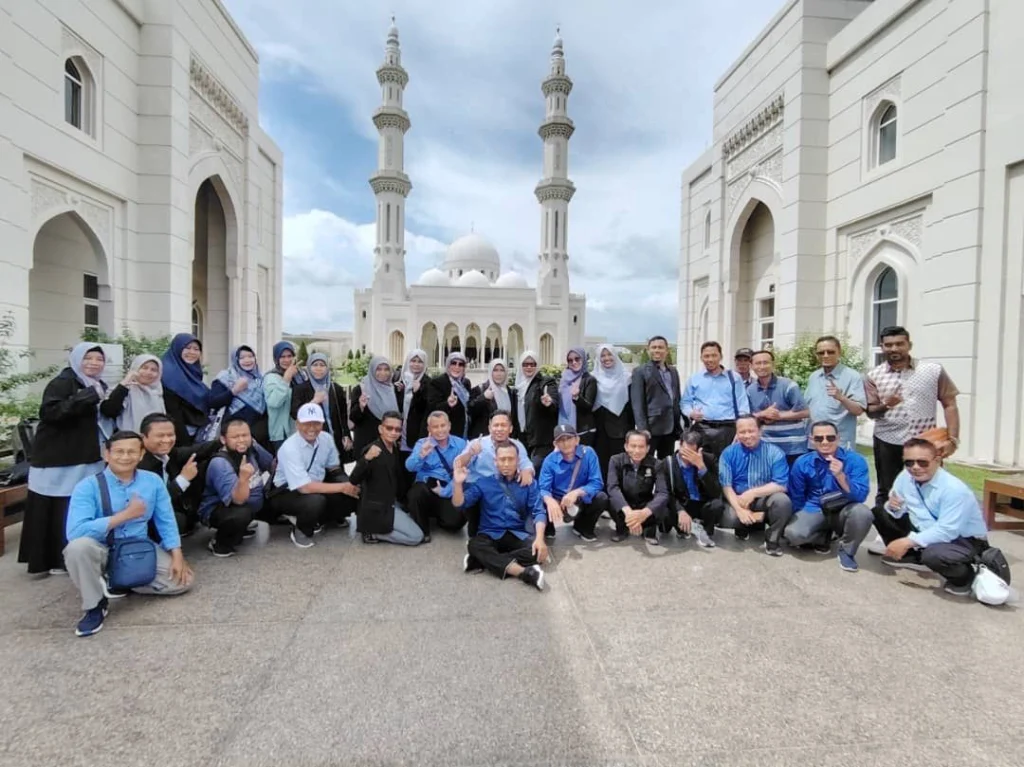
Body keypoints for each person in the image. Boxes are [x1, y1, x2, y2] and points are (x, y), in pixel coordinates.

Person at [63, 430, 194, 637]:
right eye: (119, 452)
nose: (125, 457)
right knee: (77, 548)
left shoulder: (152, 481)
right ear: (107, 454)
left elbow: (166, 520)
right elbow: (76, 531)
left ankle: (122, 580)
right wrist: (125, 515)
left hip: (136, 548)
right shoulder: (87, 487)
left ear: (141, 454)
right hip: (101, 547)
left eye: (132, 452)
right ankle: (95, 605)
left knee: (182, 582)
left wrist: (177, 555)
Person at [19, 343, 123, 576]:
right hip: (60, 458)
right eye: (88, 358)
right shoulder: (64, 382)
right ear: (77, 359)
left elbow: (106, 413)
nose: (94, 363)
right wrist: (87, 396)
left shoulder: (97, 385)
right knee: (56, 507)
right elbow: (50, 413)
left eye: (99, 359)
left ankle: (78, 553)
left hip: (85, 454)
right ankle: (54, 559)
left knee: (80, 504)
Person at [874, 438, 989, 597]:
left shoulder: (954, 490)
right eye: (909, 462)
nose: (915, 467)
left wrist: (906, 542)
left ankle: (965, 577)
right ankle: (914, 558)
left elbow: (948, 531)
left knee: (934, 555)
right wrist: (893, 507)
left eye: (922, 462)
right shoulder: (905, 477)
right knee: (879, 512)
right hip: (925, 527)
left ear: (937, 461)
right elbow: (895, 506)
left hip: (964, 539)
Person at [864, 326, 961, 516]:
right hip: (887, 439)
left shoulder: (932, 371)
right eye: (889, 345)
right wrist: (887, 405)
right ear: (882, 347)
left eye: (900, 343)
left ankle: (927, 530)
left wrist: (953, 439)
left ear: (909, 345)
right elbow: (871, 413)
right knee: (888, 487)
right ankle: (889, 528)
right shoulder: (873, 376)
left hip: (924, 441)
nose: (894, 349)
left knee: (929, 486)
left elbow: (950, 404)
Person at [452, 444, 548, 591]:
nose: (506, 463)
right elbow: (460, 504)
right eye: (502, 459)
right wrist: (458, 484)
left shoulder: (528, 483)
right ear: (495, 461)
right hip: (490, 533)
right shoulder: (484, 482)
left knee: (538, 553)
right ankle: (524, 573)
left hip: (517, 533)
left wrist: (540, 539)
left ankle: (481, 560)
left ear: (518, 461)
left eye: (511, 459)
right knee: (475, 545)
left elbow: (538, 511)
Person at [784, 421, 872, 572]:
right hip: (814, 508)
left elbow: (861, 496)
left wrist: (840, 476)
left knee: (863, 513)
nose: (825, 442)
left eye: (830, 438)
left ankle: (847, 551)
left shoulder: (856, 460)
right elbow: (797, 497)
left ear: (838, 438)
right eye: (819, 438)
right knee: (793, 534)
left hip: (844, 507)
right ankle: (823, 535)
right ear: (812, 440)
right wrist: (801, 521)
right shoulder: (803, 462)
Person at [270, 403, 361, 548]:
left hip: (315, 484)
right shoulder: (289, 448)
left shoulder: (326, 438)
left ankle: (324, 519)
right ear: (297, 424)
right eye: (306, 424)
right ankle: (301, 529)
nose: (311, 428)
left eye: (316, 423)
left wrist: (350, 485)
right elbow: (304, 488)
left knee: (353, 492)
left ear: (322, 424)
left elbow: (333, 468)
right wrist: (342, 487)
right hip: (287, 491)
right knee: (315, 501)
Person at [199, 418, 276, 557]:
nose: (241, 440)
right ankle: (219, 543)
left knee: (279, 496)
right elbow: (238, 500)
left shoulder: (251, 450)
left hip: (252, 501)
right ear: (223, 439)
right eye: (235, 437)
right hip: (221, 509)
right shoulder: (220, 463)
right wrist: (243, 478)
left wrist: (254, 445)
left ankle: (242, 527)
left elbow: (272, 464)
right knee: (240, 514)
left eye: (245, 435)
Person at [718, 414, 792, 556]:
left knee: (782, 501)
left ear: (760, 431)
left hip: (763, 499)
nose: (747, 436)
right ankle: (749, 522)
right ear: (737, 433)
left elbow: (781, 484)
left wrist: (752, 493)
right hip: (738, 499)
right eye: (742, 432)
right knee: (730, 518)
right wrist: (740, 510)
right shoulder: (728, 453)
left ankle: (772, 540)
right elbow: (726, 485)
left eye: (751, 431)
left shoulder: (774, 453)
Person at [348, 411, 425, 546]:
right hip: (377, 509)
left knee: (413, 521)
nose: (393, 432)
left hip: (390, 503)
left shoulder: (393, 447)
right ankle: (373, 533)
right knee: (416, 537)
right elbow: (353, 479)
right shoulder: (372, 450)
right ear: (380, 428)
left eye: (398, 429)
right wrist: (366, 459)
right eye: (389, 428)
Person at [138, 413, 220, 537]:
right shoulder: (139, 464)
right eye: (160, 436)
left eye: (170, 435)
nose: (166, 440)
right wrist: (183, 479)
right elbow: (154, 502)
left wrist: (226, 440)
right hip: (143, 520)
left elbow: (197, 451)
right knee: (177, 519)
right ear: (143, 437)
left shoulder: (169, 454)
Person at [160, 333, 233, 447]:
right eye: (187, 348)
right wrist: (187, 446)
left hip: (197, 434)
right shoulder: (169, 376)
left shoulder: (193, 374)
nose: (192, 352)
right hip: (180, 438)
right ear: (177, 348)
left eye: (196, 349)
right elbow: (174, 414)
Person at [404, 411, 469, 541]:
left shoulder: (461, 444)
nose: (440, 430)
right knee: (416, 493)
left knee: (456, 522)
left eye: (443, 425)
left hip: (448, 487)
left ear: (449, 426)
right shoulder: (422, 443)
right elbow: (409, 467)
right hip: (427, 486)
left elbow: (464, 473)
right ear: (429, 429)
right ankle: (423, 531)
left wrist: (444, 492)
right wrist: (422, 454)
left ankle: (438, 515)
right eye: (435, 427)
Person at [681, 341, 750, 459]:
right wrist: (691, 413)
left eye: (714, 355)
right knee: (702, 466)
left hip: (728, 429)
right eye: (706, 356)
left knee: (727, 465)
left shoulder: (734, 378)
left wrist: (742, 430)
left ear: (721, 356)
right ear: (701, 358)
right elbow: (685, 403)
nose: (710, 359)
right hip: (702, 428)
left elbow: (743, 405)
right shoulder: (694, 378)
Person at [539, 424, 607, 542]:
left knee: (602, 498)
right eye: (561, 440)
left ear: (577, 439)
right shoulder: (550, 460)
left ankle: (583, 527)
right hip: (558, 499)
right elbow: (543, 488)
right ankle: (548, 529)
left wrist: (577, 492)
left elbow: (597, 482)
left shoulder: (588, 453)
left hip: (580, 498)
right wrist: (550, 500)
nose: (566, 443)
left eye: (569, 438)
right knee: (540, 499)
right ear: (555, 444)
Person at [660, 430, 723, 548]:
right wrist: (680, 511)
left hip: (701, 503)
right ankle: (684, 527)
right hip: (682, 503)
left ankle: (704, 528)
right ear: (680, 445)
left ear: (699, 450)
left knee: (717, 504)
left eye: (691, 452)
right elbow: (665, 492)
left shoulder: (709, 460)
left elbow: (716, 491)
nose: (686, 455)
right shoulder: (667, 463)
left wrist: (701, 467)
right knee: (664, 508)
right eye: (684, 449)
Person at [803, 335, 866, 451]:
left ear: (839, 352)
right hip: (814, 443)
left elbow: (858, 410)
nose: (825, 355)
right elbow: (807, 407)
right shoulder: (814, 376)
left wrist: (841, 398)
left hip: (838, 444)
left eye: (830, 352)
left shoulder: (852, 376)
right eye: (821, 353)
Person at [747, 349, 809, 465]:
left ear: (773, 365)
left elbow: (805, 412)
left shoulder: (788, 385)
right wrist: (762, 414)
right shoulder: (750, 390)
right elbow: (751, 416)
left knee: (794, 482)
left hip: (793, 447)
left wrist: (778, 416)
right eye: (758, 363)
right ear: (751, 366)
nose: (762, 366)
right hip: (767, 446)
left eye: (766, 362)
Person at [607, 430, 670, 544]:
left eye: (641, 447)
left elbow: (662, 493)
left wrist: (644, 513)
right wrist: (629, 512)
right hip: (625, 504)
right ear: (626, 446)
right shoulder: (615, 460)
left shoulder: (657, 464)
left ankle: (649, 531)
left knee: (662, 503)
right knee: (610, 499)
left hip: (644, 504)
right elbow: (613, 487)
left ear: (647, 448)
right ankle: (621, 529)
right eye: (633, 446)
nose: (637, 451)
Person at [291, 352, 353, 459]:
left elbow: (343, 416)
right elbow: (295, 413)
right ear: (309, 367)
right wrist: (314, 402)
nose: (318, 368)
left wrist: (346, 435)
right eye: (315, 365)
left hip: (334, 440)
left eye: (322, 365)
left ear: (327, 368)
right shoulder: (300, 389)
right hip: (311, 439)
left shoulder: (335, 389)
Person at [630, 335, 683, 459]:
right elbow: (637, 404)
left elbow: (677, 398)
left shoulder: (673, 371)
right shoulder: (640, 372)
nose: (657, 350)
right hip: (651, 427)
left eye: (660, 347)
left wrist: (680, 423)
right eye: (653, 347)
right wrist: (643, 430)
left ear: (667, 350)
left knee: (667, 463)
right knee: (647, 463)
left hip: (671, 427)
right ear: (648, 350)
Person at [591, 343, 634, 483]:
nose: (606, 358)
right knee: (601, 465)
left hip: (620, 429)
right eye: (602, 355)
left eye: (609, 354)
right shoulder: (592, 378)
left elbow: (631, 406)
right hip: (599, 430)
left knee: (619, 466)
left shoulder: (627, 377)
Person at [211, 345, 269, 447]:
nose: (247, 360)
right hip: (233, 434)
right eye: (242, 358)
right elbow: (213, 402)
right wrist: (234, 391)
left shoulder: (261, 379)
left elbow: (265, 410)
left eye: (250, 356)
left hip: (257, 436)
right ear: (235, 359)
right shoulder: (225, 377)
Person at [512, 350, 559, 470]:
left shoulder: (545, 382)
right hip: (523, 438)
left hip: (541, 440)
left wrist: (549, 403)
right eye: (525, 364)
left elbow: (554, 404)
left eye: (532, 364)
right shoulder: (518, 387)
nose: (529, 367)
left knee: (535, 470)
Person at [351, 355, 402, 455]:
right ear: (372, 370)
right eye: (378, 369)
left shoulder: (395, 390)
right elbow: (353, 418)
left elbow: (399, 417)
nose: (383, 373)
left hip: (389, 443)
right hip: (366, 444)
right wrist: (361, 406)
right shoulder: (361, 389)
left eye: (386, 369)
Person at [263, 341, 305, 453]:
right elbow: (274, 402)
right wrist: (286, 379)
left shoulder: (300, 375)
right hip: (282, 433)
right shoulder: (271, 377)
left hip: (301, 430)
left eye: (289, 356)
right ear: (276, 358)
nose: (287, 360)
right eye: (282, 357)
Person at [113, 354, 165, 433]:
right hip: (129, 440)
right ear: (135, 369)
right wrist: (124, 384)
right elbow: (109, 410)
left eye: (154, 370)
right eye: (144, 368)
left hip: (156, 439)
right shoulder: (124, 389)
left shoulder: (158, 392)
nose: (148, 372)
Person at [557, 347, 597, 445]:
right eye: (570, 360)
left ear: (583, 359)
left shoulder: (589, 380)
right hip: (565, 430)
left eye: (577, 359)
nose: (574, 362)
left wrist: (576, 397)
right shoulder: (564, 380)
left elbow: (588, 406)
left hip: (583, 432)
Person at [468, 358, 518, 438]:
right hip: (485, 441)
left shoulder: (510, 393)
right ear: (490, 372)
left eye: (502, 370)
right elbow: (470, 410)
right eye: (495, 370)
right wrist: (483, 398)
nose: (499, 374)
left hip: (505, 440)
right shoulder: (480, 389)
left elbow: (514, 419)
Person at [427, 352, 472, 439]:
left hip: (464, 431)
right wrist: (447, 403)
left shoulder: (465, 383)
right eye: (453, 363)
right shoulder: (438, 382)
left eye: (461, 364)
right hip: (446, 434)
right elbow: (432, 408)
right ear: (448, 365)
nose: (457, 367)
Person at [398, 348, 431, 460]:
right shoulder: (401, 380)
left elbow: (425, 409)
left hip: (417, 434)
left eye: (420, 361)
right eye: (413, 361)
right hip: (399, 432)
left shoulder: (428, 383)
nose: (416, 364)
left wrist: (417, 393)